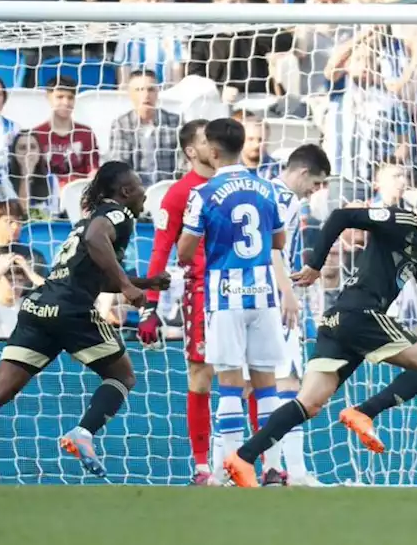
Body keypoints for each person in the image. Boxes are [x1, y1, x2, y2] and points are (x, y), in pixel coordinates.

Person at [223, 183, 417, 487]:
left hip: (340, 321)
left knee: (309, 403)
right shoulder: (399, 220)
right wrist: (315, 265)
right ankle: (363, 412)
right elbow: (340, 216)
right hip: (361, 316)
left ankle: (242, 458)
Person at [0, 161, 169, 484]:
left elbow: (95, 276)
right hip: (71, 309)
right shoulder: (117, 215)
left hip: (39, 307)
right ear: (125, 192)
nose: (144, 194)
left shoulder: (85, 222)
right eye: (140, 186)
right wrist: (128, 287)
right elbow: (99, 242)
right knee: (123, 375)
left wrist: (146, 282)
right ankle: (83, 433)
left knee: (1, 387)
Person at [176, 118, 295, 483]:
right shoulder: (266, 188)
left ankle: (232, 468)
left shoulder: (204, 193)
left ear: (212, 151)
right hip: (263, 297)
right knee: (266, 386)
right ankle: (272, 467)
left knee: (228, 384)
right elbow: (279, 242)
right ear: (243, 145)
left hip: (225, 298)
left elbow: (185, 252)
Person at [136, 120, 217, 485]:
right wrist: (149, 306)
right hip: (201, 295)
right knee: (200, 377)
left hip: (245, 293)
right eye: (205, 139)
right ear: (190, 151)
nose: (213, 144)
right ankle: (202, 466)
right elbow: (160, 251)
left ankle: (257, 461)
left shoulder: (232, 184)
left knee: (251, 377)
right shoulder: (178, 194)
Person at [264, 143, 332, 485]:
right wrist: (288, 294)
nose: (314, 191)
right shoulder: (287, 200)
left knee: (255, 386)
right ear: (303, 173)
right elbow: (273, 251)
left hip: (257, 296)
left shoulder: (264, 188)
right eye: (316, 183)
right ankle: (289, 470)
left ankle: (263, 467)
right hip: (275, 301)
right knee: (288, 383)